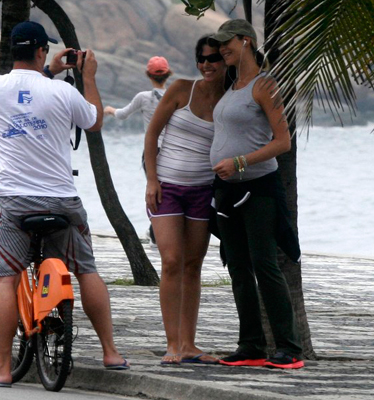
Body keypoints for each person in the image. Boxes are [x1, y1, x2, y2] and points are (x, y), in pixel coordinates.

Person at [0, 21, 128, 387]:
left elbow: (26, 88)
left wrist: (48, 69)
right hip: (62, 199)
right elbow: (93, 122)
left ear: (14, 51)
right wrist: (87, 76)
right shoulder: (63, 93)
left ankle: (0, 368)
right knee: (86, 270)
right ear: (43, 50)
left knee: (6, 279)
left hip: (14, 200)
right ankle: (110, 351)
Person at [209, 19, 304, 369]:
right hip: (227, 190)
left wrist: (240, 162)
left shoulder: (265, 85)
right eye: (218, 44)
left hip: (258, 188)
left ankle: (289, 347)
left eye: (226, 42)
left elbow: (283, 141)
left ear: (246, 41)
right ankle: (250, 345)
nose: (221, 49)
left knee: (265, 264)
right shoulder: (233, 87)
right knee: (237, 266)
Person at [143, 37, 229, 366]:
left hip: (202, 190)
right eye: (201, 59)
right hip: (166, 187)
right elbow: (152, 134)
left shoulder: (229, 100)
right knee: (171, 261)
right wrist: (152, 179)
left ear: (226, 62)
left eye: (214, 59)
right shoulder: (180, 88)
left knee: (193, 267)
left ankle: (189, 344)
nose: (207, 65)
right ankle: (172, 344)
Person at [104, 56, 172, 245]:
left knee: (154, 191)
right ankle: (161, 233)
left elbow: (122, 114)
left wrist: (110, 110)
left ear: (149, 75)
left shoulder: (143, 97)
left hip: (151, 153)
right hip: (172, 152)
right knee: (168, 191)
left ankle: (155, 233)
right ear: (168, 74)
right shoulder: (173, 96)